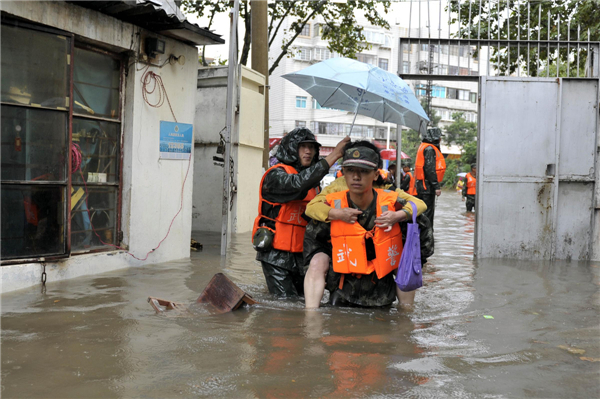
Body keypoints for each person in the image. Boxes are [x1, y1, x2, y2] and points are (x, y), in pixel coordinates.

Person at [302, 141, 427, 309]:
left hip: (381, 273)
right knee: (317, 261)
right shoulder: (334, 195)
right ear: (343, 173)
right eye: (351, 170)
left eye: (364, 171)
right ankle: (311, 318)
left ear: (375, 174)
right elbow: (311, 211)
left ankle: (406, 314)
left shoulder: (390, 194)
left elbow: (419, 206)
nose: (356, 177)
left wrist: (397, 216)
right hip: (344, 272)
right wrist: (338, 214)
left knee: (405, 260)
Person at [252, 128, 350, 298]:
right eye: (302, 146)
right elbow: (296, 185)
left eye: (311, 147)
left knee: (304, 301)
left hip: (302, 257)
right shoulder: (275, 175)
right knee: (285, 305)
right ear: (291, 148)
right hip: (275, 255)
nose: (308, 151)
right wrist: (334, 155)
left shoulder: (314, 183)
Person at [415, 127, 446, 228]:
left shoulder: (423, 146)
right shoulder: (429, 149)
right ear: (435, 138)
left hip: (422, 186)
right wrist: (436, 186)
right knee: (427, 215)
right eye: (439, 137)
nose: (440, 140)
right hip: (427, 187)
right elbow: (430, 169)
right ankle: (427, 237)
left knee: (422, 213)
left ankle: (421, 236)